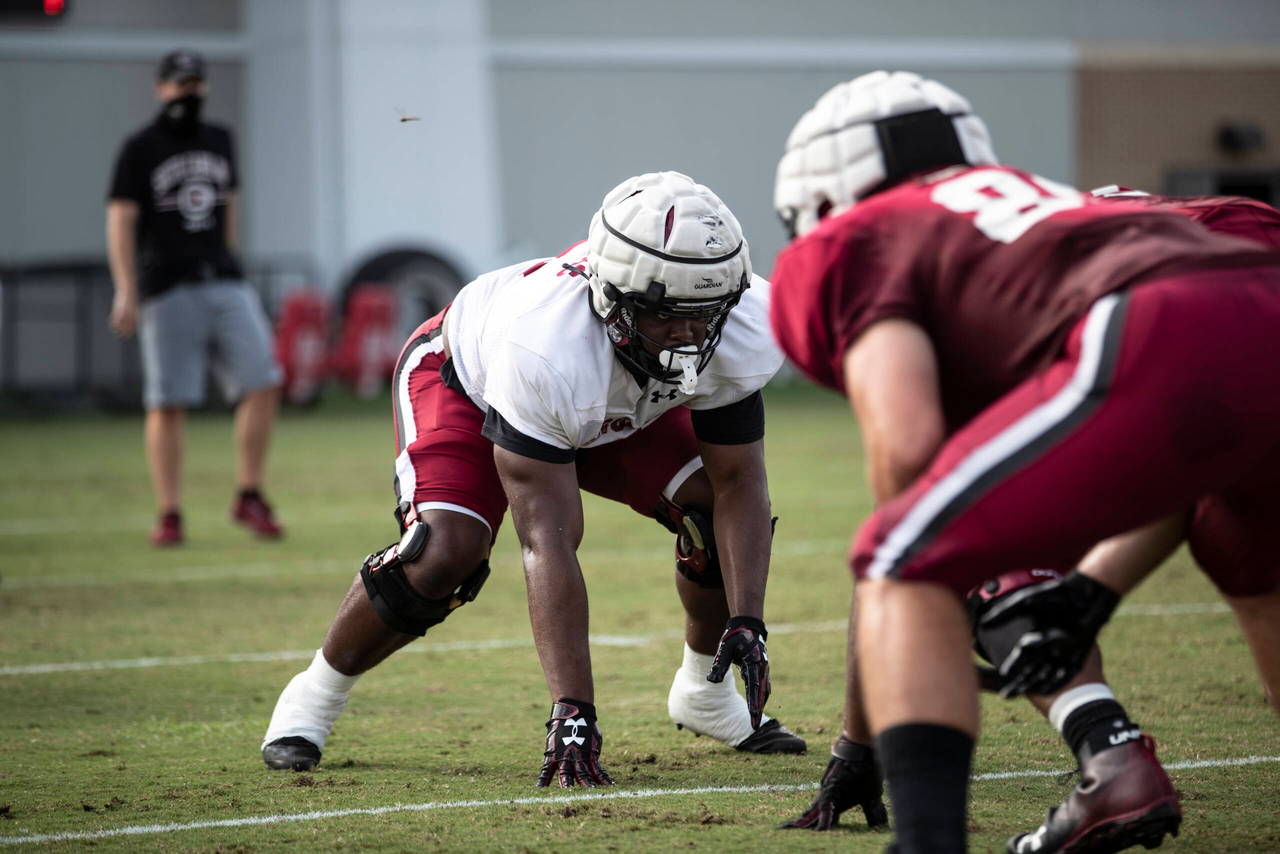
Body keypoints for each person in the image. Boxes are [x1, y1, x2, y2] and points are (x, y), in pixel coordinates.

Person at [767, 70, 1280, 854]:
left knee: (903, 554)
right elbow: (1199, 435)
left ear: (823, 197)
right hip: (1254, 297)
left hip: (1157, 325)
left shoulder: (854, 237)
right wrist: (1092, 592)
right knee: (1254, 568)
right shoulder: (1046, 204)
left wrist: (916, 636)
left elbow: (908, 474)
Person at [260, 171, 806, 784]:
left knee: (708, 510)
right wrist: (573, 711)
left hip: (620, 398)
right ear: (615, 298)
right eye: (667, 315)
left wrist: (748, 619)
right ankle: (316, 694)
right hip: (468, 384)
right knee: (447, 552)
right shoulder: (546, 346)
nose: (690, 334)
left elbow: (739, 483)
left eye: (704, 313)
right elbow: (546, 538)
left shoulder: (738, 320)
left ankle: (703, 693)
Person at [106, 48, 284, 547]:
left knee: (264, 380)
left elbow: (230, 205)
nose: (189, 93)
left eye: (196, 84)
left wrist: (230, 255)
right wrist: (126, 289)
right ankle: (170, 512)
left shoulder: (220, 139)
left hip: (223, 279)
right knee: (167, 401)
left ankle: (248, 493)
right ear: (162, 88)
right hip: (166, 285)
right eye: (180, 84)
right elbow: (121, 220)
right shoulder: (139, 147)